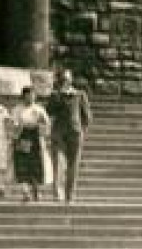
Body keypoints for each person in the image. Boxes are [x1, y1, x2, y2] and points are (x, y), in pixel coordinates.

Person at [45, 68, 93, 202]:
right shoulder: (55, 95)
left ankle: (69, 195)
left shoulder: (80, 94)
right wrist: (58, 95)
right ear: (59, 81)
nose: (65, 81)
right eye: (62, 79)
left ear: (71, 79)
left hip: (75, 133)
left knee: (73, 165)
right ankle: (57, 192)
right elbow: (49, 112)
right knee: (58, 163)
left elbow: (87, 116)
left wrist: (82, 130)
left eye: (67, 78)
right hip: (58, 134)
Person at [11, 86, 53, 202]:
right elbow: (13, 123)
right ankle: (25, 192)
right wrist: (20, 125)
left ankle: (36, 189)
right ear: (23, 96)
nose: (30, 97)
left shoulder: (39, 109)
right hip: (23, 136)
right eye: (28, 95)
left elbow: (47, 122)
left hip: (35, 137)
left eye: (33, 95)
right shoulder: (17, 109)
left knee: (36, 164)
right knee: (23, 164)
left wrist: (41, 125)